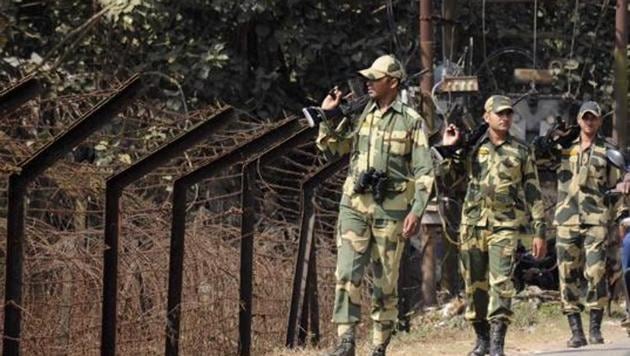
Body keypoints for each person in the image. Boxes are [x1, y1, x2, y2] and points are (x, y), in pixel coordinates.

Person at [315, 54, 434, 356]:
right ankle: (345, 342)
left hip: (390, 211)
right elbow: (334, 150)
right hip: (353, 205)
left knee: (385, 283)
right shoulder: (359, 114)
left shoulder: (411, 120)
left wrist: (417, 210)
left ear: (392, 82)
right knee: (346, 274)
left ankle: (379, 345)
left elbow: (424, 171)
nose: (368, 83)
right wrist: (328, 117)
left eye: (375, 78)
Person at [441, 95, 547, 356]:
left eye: (509, 113)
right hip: (473, 225)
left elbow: (533, 192)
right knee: (474, 285)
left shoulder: (521, 151)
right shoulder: (472, 148)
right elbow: (447, 179)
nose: (505, 117)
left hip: (505, 225)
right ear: (486, 117)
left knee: (501, 282)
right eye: (499, 113)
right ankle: (482, 340)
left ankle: (498, 344)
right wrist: (450, 149)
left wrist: (540, 230)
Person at [535, 101, 629, 348]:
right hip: (566, 219)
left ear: (599, 121)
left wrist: (620, 202)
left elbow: (618, 184)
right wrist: (550, 138)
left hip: (596, 219)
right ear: (579, 120)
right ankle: (576, 331)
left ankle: (595, 327)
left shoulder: (607, 150)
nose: (589, 122)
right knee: (567, 273)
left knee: (596, 271)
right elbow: (539, 157)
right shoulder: (564, 147)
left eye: (593, 118)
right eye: (585, 118)